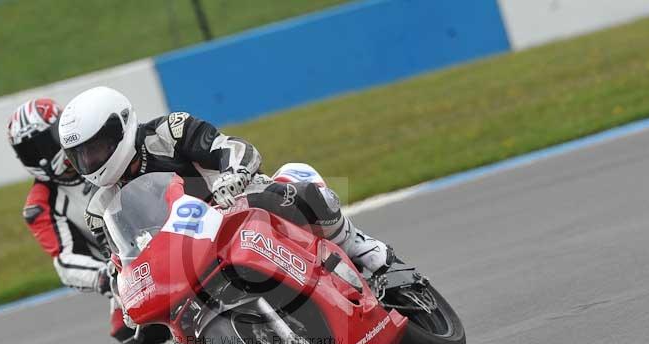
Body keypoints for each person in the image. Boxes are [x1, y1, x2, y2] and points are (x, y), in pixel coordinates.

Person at [57, 86, 395, 278]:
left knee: (297, 190)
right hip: (189, 254)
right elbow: (122, 263)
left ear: (122, 125)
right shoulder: (98, 210)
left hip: (238, 207)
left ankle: (358, 246)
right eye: (82, 155)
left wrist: (233, 175)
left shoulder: (170, 131)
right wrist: (124, 292)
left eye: (97, 148)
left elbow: (232, 148)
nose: (92, 161)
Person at [6, 97, 168, 344]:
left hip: (165, 218)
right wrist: (103, 277)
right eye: (29, 151)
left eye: (43, 142)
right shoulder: (40, 204)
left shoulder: (97, 147)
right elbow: (65, 258)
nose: (40, 155)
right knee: (127, 329)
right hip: (124, 260)